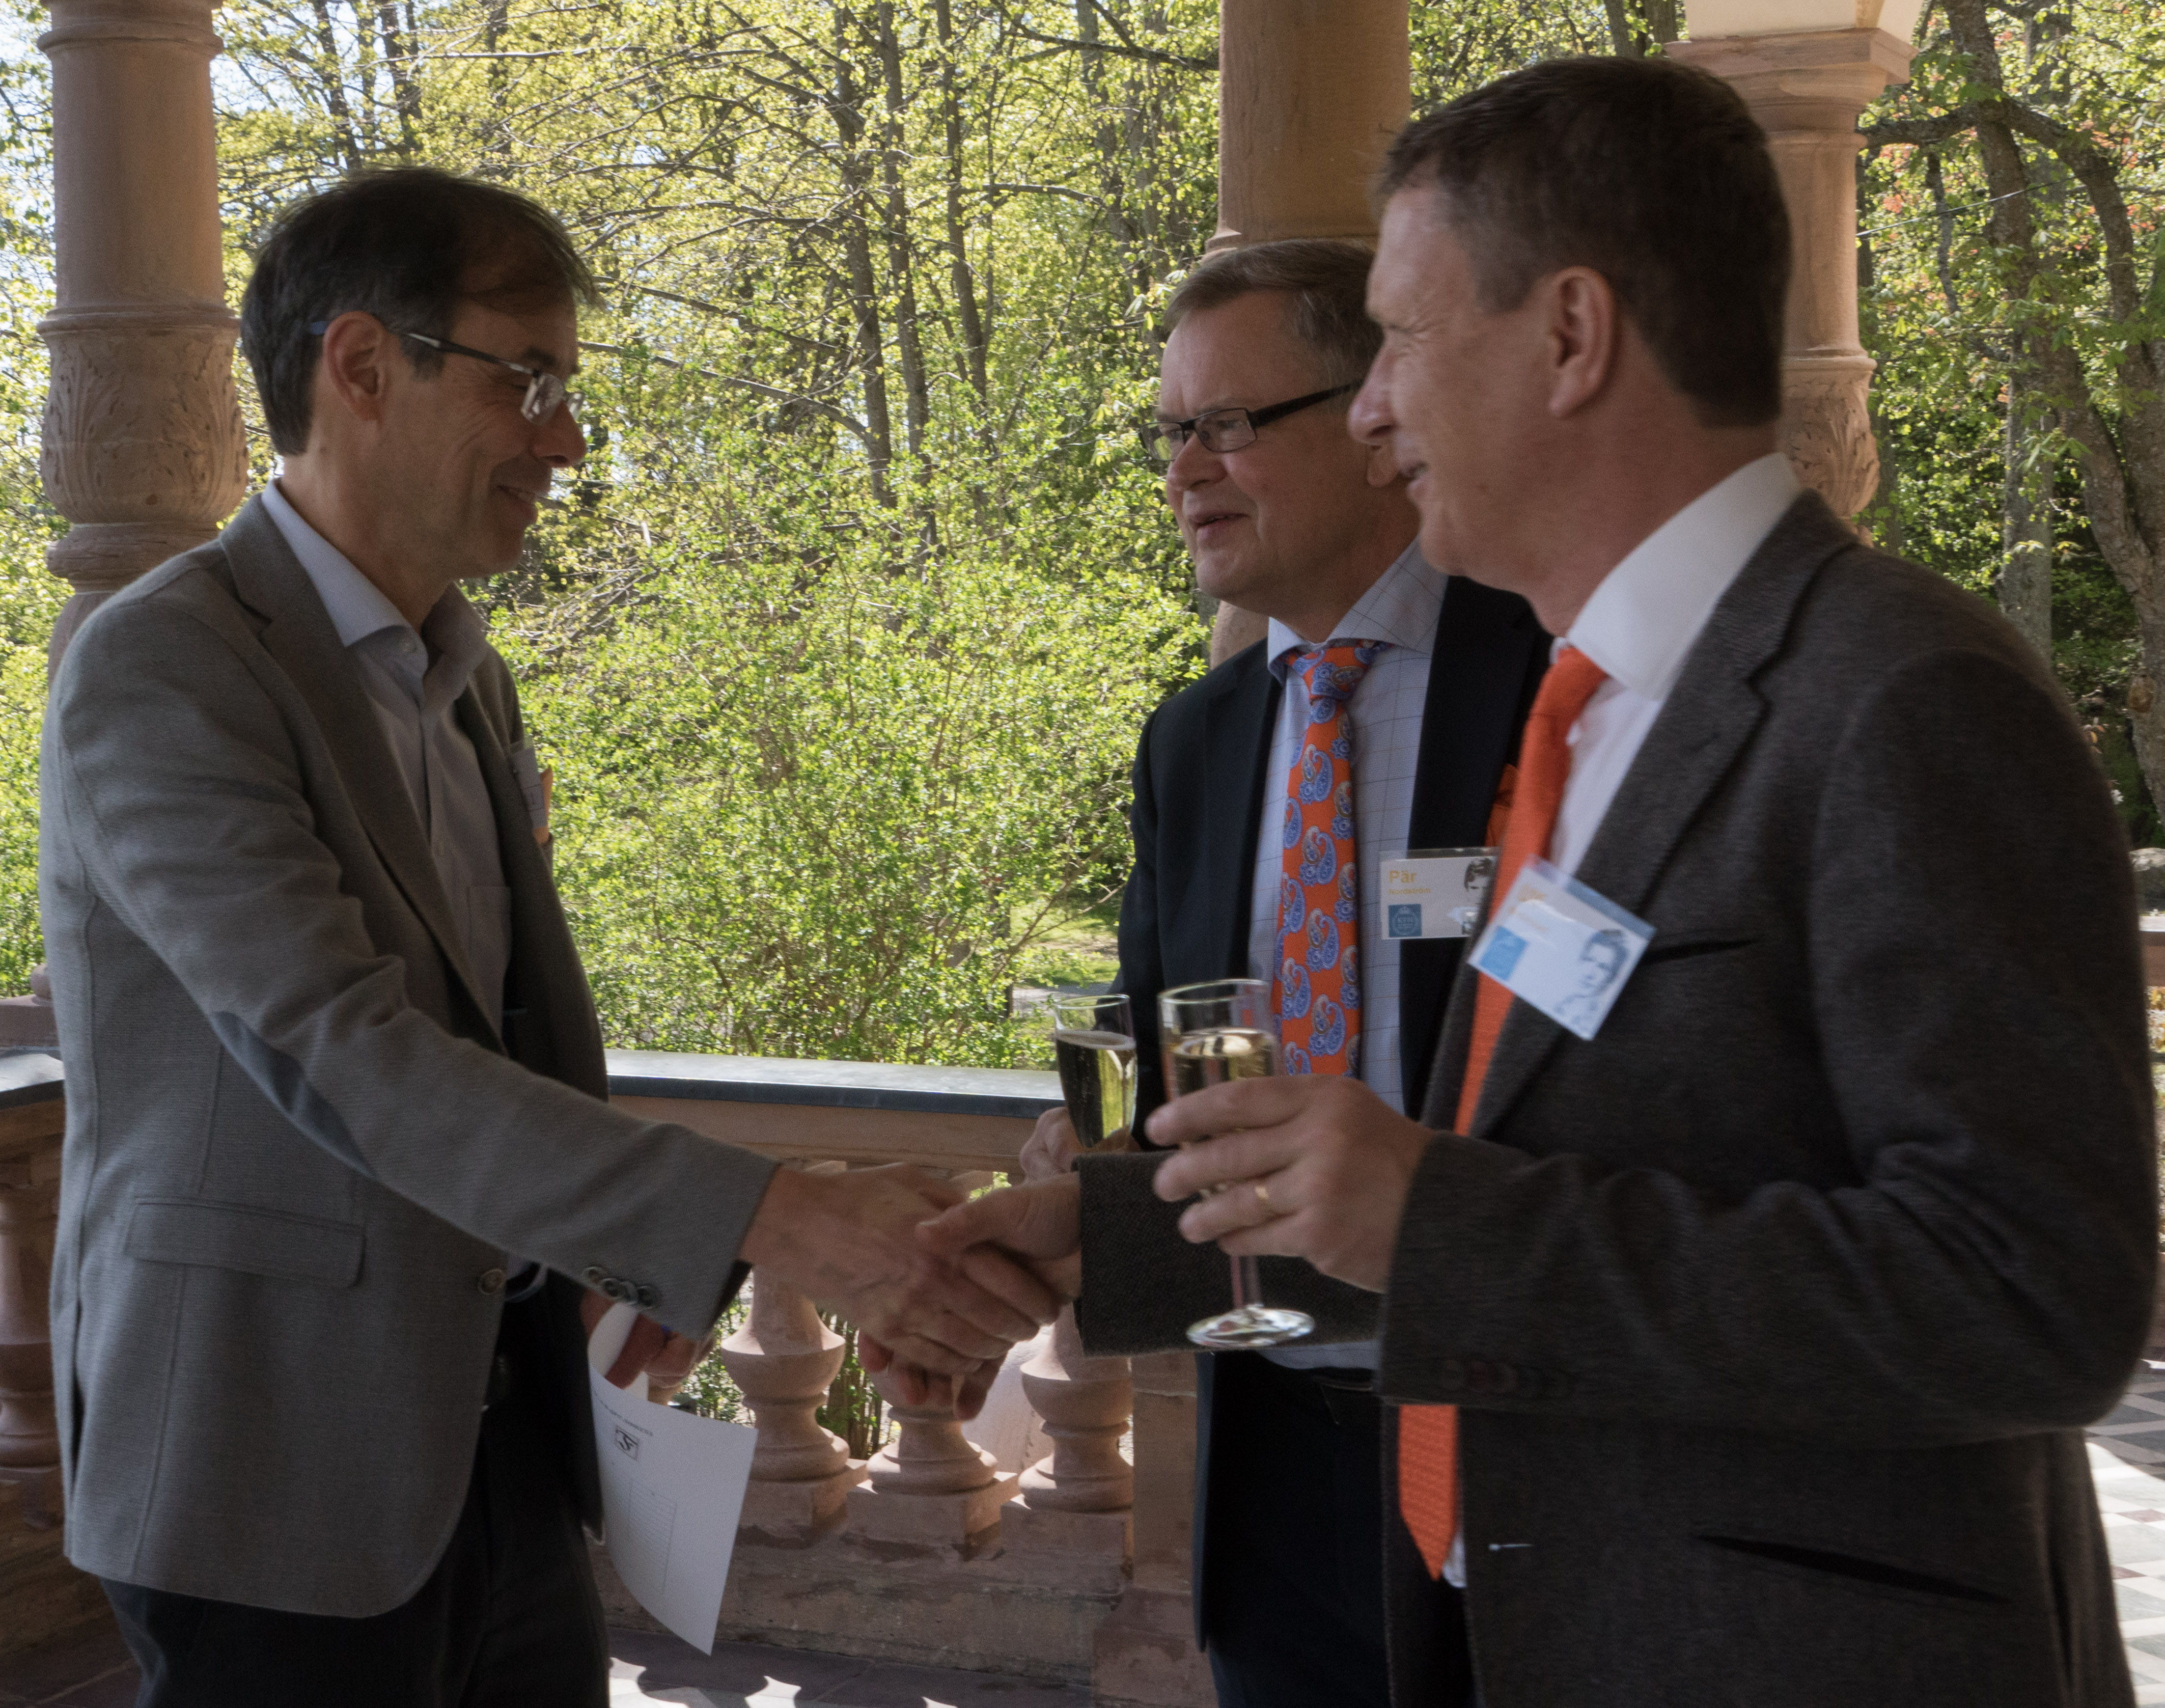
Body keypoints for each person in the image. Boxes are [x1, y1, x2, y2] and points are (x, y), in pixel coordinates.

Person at [926, 57, 2156, 1707]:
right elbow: (1518, 1184)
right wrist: (1112, 1241)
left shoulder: (1905, 696)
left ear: (1571, 336)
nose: (1373, 409)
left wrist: (1439, 1217)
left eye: (1401, 339)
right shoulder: (1594, 708)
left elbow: (2035, 1298)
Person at [38, 167, 1054, 1708]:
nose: (566, 441)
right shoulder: (164, 667)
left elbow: (499, 1043)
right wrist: (768, 1217)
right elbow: (348, 1055)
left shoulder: (470, 680)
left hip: (510, 1451)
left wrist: (629, 1249)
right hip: (271, 1474)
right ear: (362, 366)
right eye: (527, 382)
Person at [1012, 238, 1546, 1707]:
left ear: (1375, 420)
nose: (1185, 470)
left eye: (1230, 423)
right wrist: (1077, 1168)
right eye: (1171, 433)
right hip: (1272, 1470)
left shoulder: (1554, 679)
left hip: (1517, 1437)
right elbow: (1143, 1062)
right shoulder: (1193, 742)